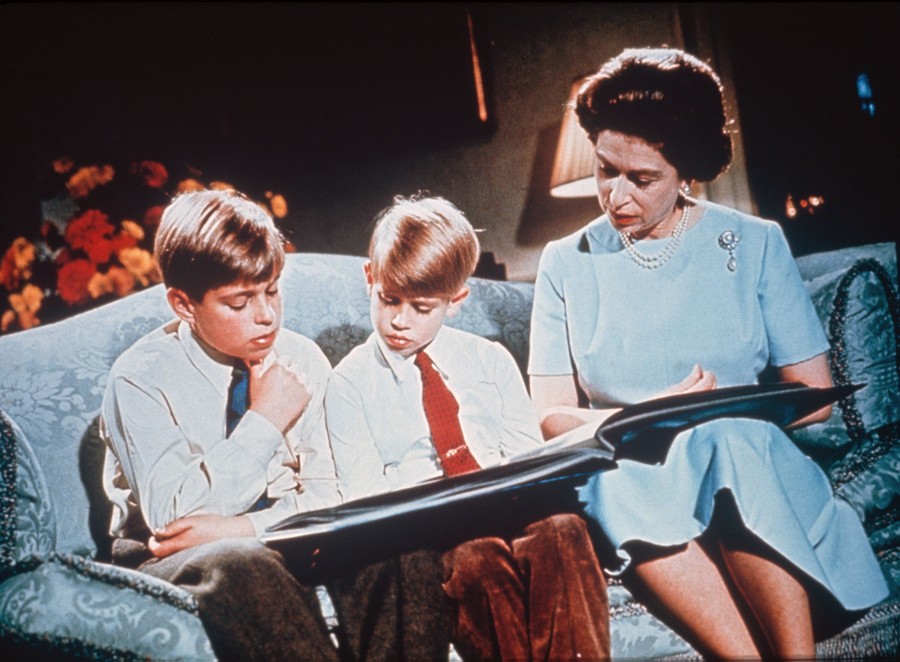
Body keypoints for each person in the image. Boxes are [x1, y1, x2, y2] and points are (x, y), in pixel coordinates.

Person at [528, 47, 889, 659]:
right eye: (605, 169)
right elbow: (551, 417)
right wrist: (655, 410)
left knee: (727, 440)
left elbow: (814, 397)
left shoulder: (752, 242)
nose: (616, 197)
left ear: (686, 172)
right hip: (634, 473)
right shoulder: (565, 262)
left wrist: (713, 413)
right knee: (608, 484)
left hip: (752, 465)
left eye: (642, 179)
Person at [101, 188, 450, 662]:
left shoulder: (301, 357)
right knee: (242, 565)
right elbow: (174, 520)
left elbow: (336, 494)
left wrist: (244, 526)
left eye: (272, 291)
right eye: (239, 302)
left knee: (400, 550)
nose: (266, 316)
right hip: (164, 556)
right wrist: (266, 419)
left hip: (279, 534)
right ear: (184, 304)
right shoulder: (139, 377)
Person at [325, 194, 611, 661]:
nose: (399, 320)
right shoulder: (349, 383)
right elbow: (364, 498)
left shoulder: (489, 361)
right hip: (434, 530)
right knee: (478, 560)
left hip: (511, 509)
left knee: (563, 530)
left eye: (421, 307)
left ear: (456, 301)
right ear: (369, 279)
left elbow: (527, 459)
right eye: (389, 299)